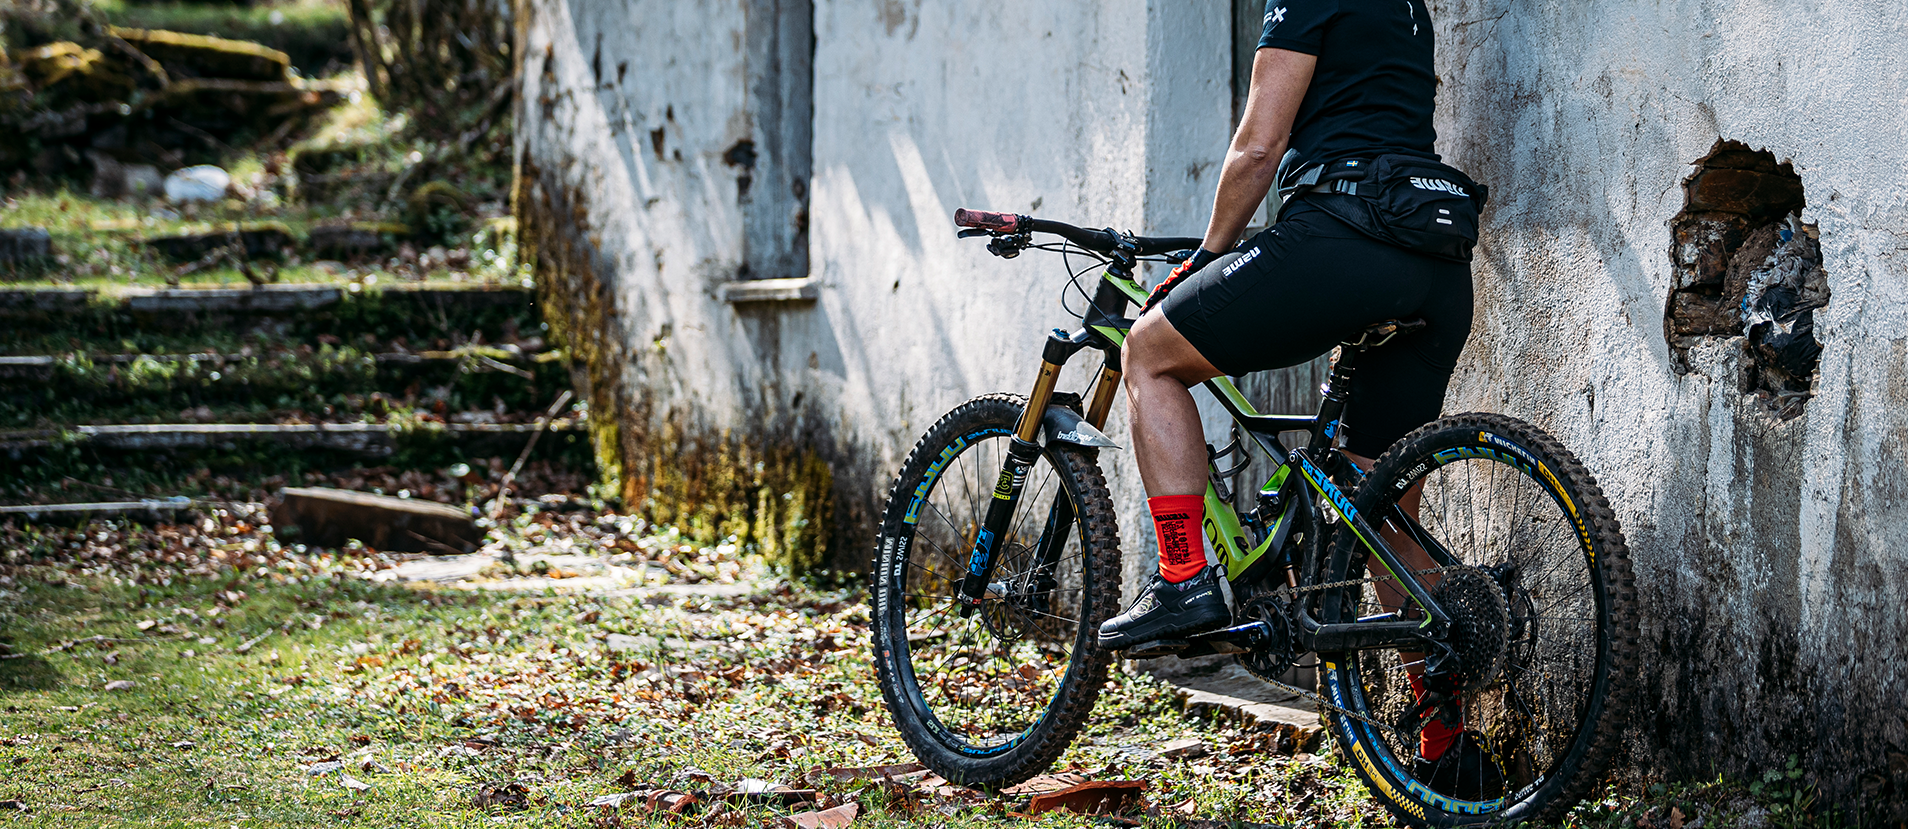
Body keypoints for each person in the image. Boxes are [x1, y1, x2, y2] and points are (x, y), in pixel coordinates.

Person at [1093, 0, 1495, 794]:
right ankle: (1448, 746)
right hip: (1436, 268)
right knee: (1378, 510)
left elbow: (1257, 148)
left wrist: (1204, 260)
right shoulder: (1406, 7)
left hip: (1342, 237)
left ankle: (1182, 578)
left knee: (1147, 354)